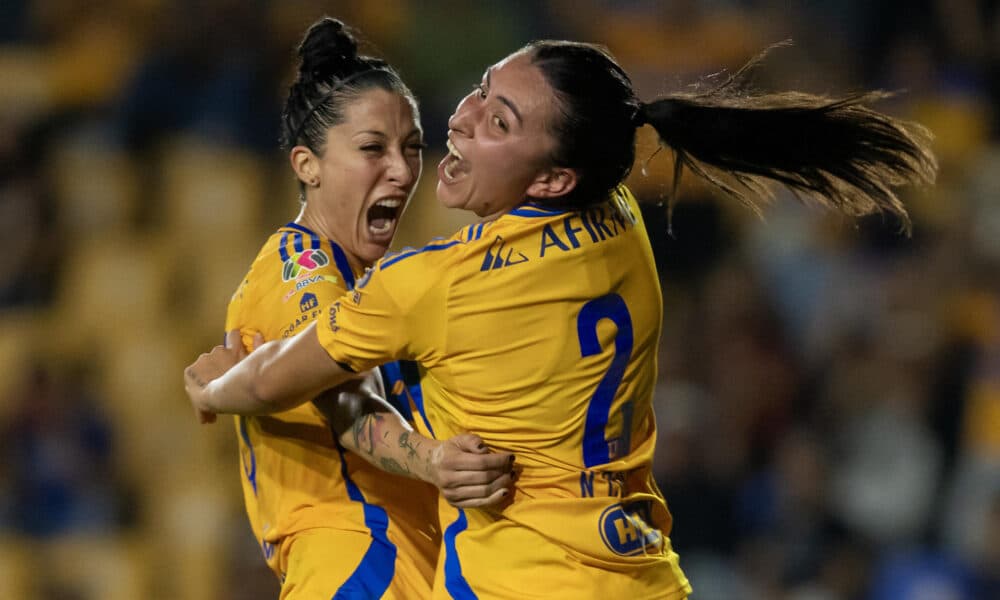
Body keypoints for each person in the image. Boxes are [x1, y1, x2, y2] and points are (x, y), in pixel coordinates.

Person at [185, 39, 936, 598]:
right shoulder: (622, 221)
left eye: (500, 122)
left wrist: (212, 389)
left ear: (554, 175)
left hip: (523, 577)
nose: (464, 120)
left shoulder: (434, 285)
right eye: (482, 91)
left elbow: (288, 384)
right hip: (642, 574)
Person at [214, 18, 514, 599]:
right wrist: (432, 461)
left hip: (403, 563)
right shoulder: (299, 266)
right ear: (307, 165)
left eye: (411, 147)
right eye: (373, 149)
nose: (401, 171)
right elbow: (341, 396)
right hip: (356, 564)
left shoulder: (378, 285)